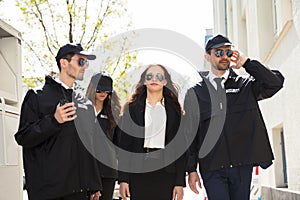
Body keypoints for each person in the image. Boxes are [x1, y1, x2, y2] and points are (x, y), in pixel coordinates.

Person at [185, 34, 285, 200]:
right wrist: (191, 169)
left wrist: (247, 64)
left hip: (241, 166)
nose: (224, 56)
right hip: (212, 167)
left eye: (228, 52)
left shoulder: (245, 85)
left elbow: (275, 82)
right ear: (207, 56)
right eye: (218, 52)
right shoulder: (195, 93)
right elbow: (190, 133)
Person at [15, 43, 102, 200]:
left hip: (80, 191)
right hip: (48, 191)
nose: (85, 67)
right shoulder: (37, 96)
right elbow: (23, 137)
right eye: (81, 61)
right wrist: (53, 121)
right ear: (64, 63)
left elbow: (90, 146)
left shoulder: (85, 104)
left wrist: (94, 184)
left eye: (86, 62)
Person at [117, 64, 186, 200]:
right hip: (138, 172)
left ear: (165, 82)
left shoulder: (175, 110)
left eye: (159, 76)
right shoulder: (131, 109)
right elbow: (125, 147)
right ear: (145, 81)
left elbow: (180, 148)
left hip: (166, 173)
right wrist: (123, 179)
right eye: (150, 76)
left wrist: (179, 182)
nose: (154, 79)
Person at [86, 72, 121, 200]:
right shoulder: (82, 109)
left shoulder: (114, 112)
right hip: (86, 168)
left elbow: (118, 144)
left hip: (107, 170)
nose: (103, 93)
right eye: (99, 89)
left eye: (107, 90)